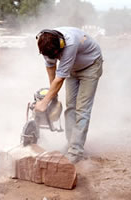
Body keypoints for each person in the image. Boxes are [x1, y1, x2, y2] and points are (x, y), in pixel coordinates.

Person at [34, 27, 103, 164]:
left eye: (56, 54)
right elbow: (51, 67)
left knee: (82, 109)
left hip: (90, 66)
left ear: (61, 45)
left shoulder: (70, 43)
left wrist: (44, 102)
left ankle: (76, 151)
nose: (54, 57)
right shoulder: (44, 43)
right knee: (70, 106)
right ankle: (71, 143)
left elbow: (60, 78)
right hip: (73, 68)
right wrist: (52, 95)